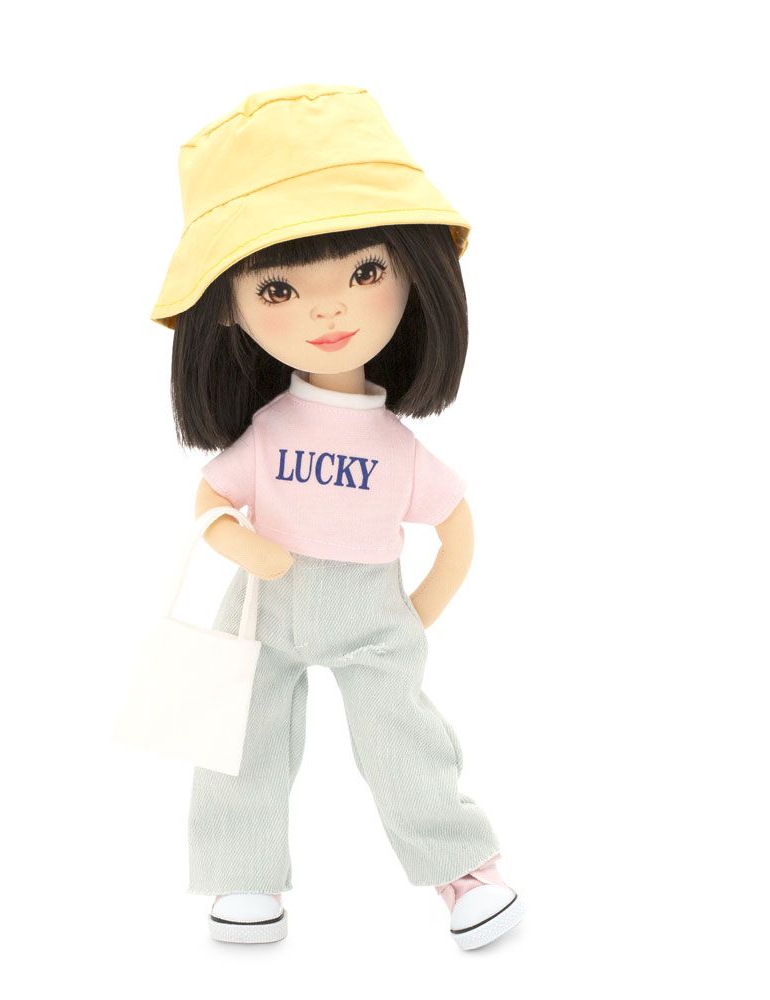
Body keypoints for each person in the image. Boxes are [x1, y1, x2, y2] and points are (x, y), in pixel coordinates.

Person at [148, 83, 525, 951]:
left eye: (365, 272)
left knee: (403, 739)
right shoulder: (268, 430)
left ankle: (462, 868)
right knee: (238, 737)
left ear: (414, 271)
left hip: (371, 611)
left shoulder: (397, 447)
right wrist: (239, 543)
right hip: (261, 608)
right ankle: (242, 872)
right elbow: (210, 499)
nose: (328, 310)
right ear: (227, 307)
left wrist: (416, 613)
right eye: (278, 288)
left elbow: (456, 525)